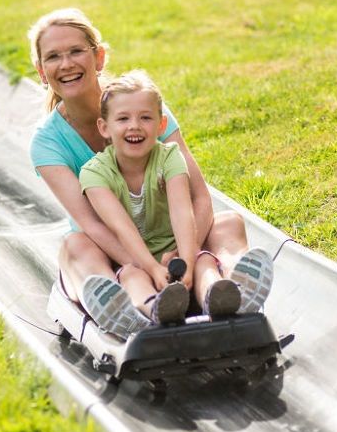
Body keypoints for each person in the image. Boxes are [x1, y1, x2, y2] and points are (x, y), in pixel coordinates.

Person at [28, 8, 274, 339]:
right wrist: (148, 265)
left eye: (76, 51)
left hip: (175, 238)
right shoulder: (48, 142)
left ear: (98, 57)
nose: (67, 64)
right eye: (54, 57)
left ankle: (234, 286)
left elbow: (198, 196)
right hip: (113, 253)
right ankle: (118, 303)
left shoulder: (141, 107)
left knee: (228, 222)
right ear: (42, 72)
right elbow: (93, 224)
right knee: (75, 246)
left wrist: (181, 258)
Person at [79, 70, 245, 326]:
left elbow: (182, 210)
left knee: (203, 262)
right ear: (105, 127)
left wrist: (187, 260)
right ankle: (154, 308)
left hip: (177, 252)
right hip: (136, 257)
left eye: (145, 118)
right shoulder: (94, 174)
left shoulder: (169, 156)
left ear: (161, 125)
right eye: (123, 118)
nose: (134, 126)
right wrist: (151, 267)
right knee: (133, 275)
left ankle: (217, 295)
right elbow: (122, 228)